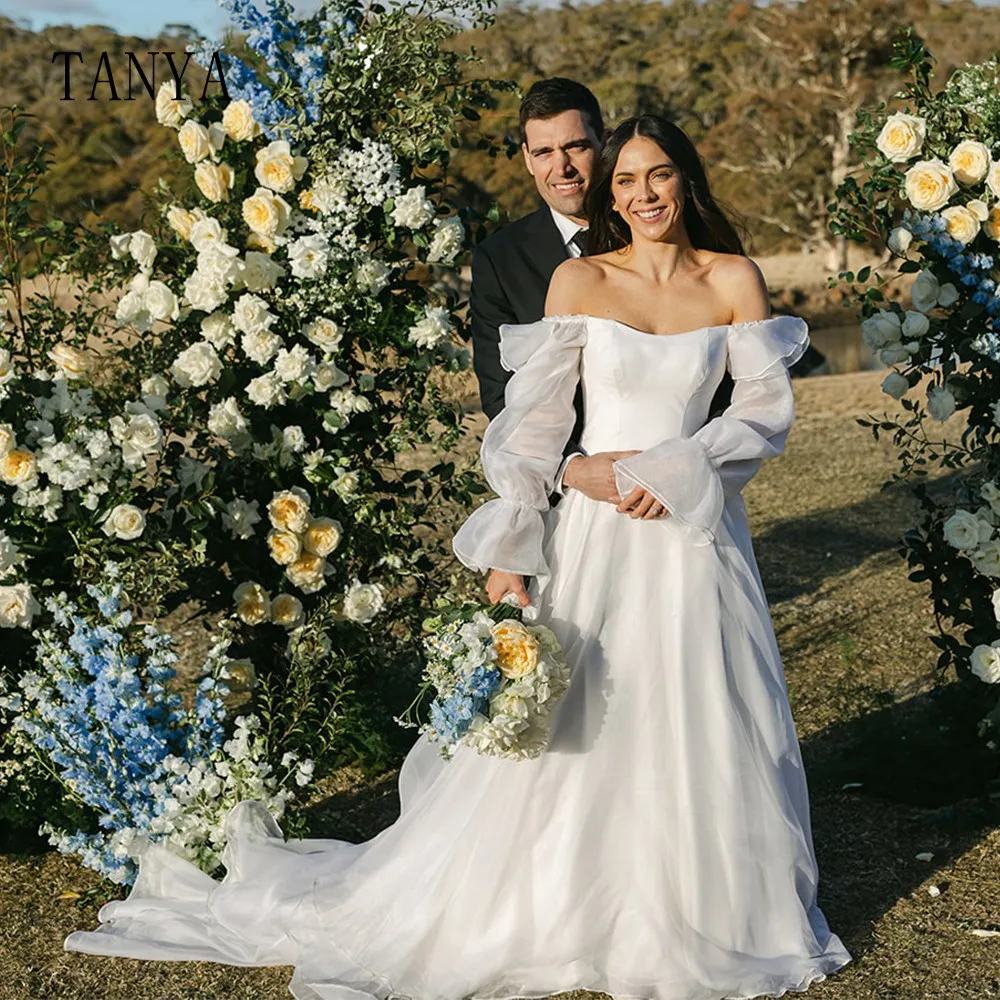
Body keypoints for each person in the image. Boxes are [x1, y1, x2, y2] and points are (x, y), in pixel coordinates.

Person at [64, 115, 851, 999]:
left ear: (686, 179)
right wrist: (519, 537)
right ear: (608, 193)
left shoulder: (733, 279)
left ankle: (708, 909)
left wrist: (679, 467)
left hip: (694, 530)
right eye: (625, 181)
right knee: (585, 721)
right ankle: (563, 900)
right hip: (594, 533)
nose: (642, 195)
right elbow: (537, 425)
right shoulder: (579, 280)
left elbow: (762, 416)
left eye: (658, 176)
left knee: (699, 707)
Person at [471, 78, 734, 507]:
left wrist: (684, 469)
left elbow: (731, 384)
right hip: (564, 497)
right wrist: (568, 470)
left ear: (604, 142)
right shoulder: (500, 260)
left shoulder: (671, 237)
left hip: (681, 492)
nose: (562, 168)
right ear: (526, 158)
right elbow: (503, 396)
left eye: (576, 147)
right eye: (543, 153)